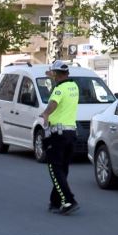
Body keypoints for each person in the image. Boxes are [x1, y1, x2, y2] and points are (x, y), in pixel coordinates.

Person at [40, 60, 80, 215]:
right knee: (62, 169)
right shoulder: (73, 86)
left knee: (54, 168)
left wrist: (46, 113)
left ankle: (69, 200)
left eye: (54, 74)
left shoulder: (59, 89)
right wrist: (52, 74)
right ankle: (55, 202)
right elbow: (58, 77)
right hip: (71, 133)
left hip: (58, 134)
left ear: (57, 75)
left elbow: (53, 103)